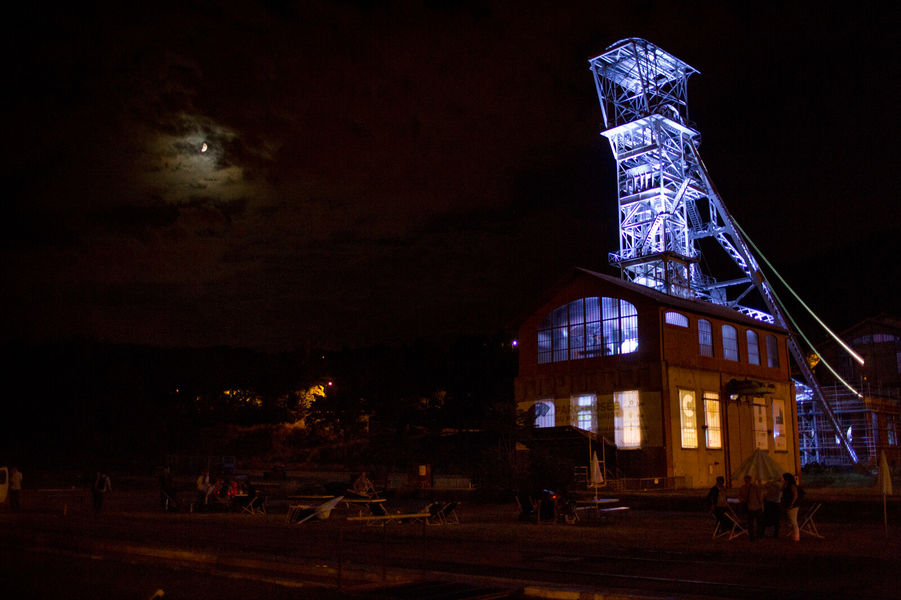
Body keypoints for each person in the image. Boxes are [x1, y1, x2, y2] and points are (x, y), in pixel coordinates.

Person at [738, 475, 763, 541]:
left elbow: (740, 497)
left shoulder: (742, 488)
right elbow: (759, 497)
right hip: (757, 506)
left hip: (749, 507)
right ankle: (759, 535)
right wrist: (761, 505)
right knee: (759, 522)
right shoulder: (755, 487)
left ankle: (752, 536)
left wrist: (744, 500)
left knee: (750, 523)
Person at [781, 472, 800, 542]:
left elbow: (795, 495)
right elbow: (781, 489)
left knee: (793, 521)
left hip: (792, 505)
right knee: (791, 520)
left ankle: (796, 537)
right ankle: (793, 536)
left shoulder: (792, 486)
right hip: (788, 504)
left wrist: (792, 503)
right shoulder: (787, 485)